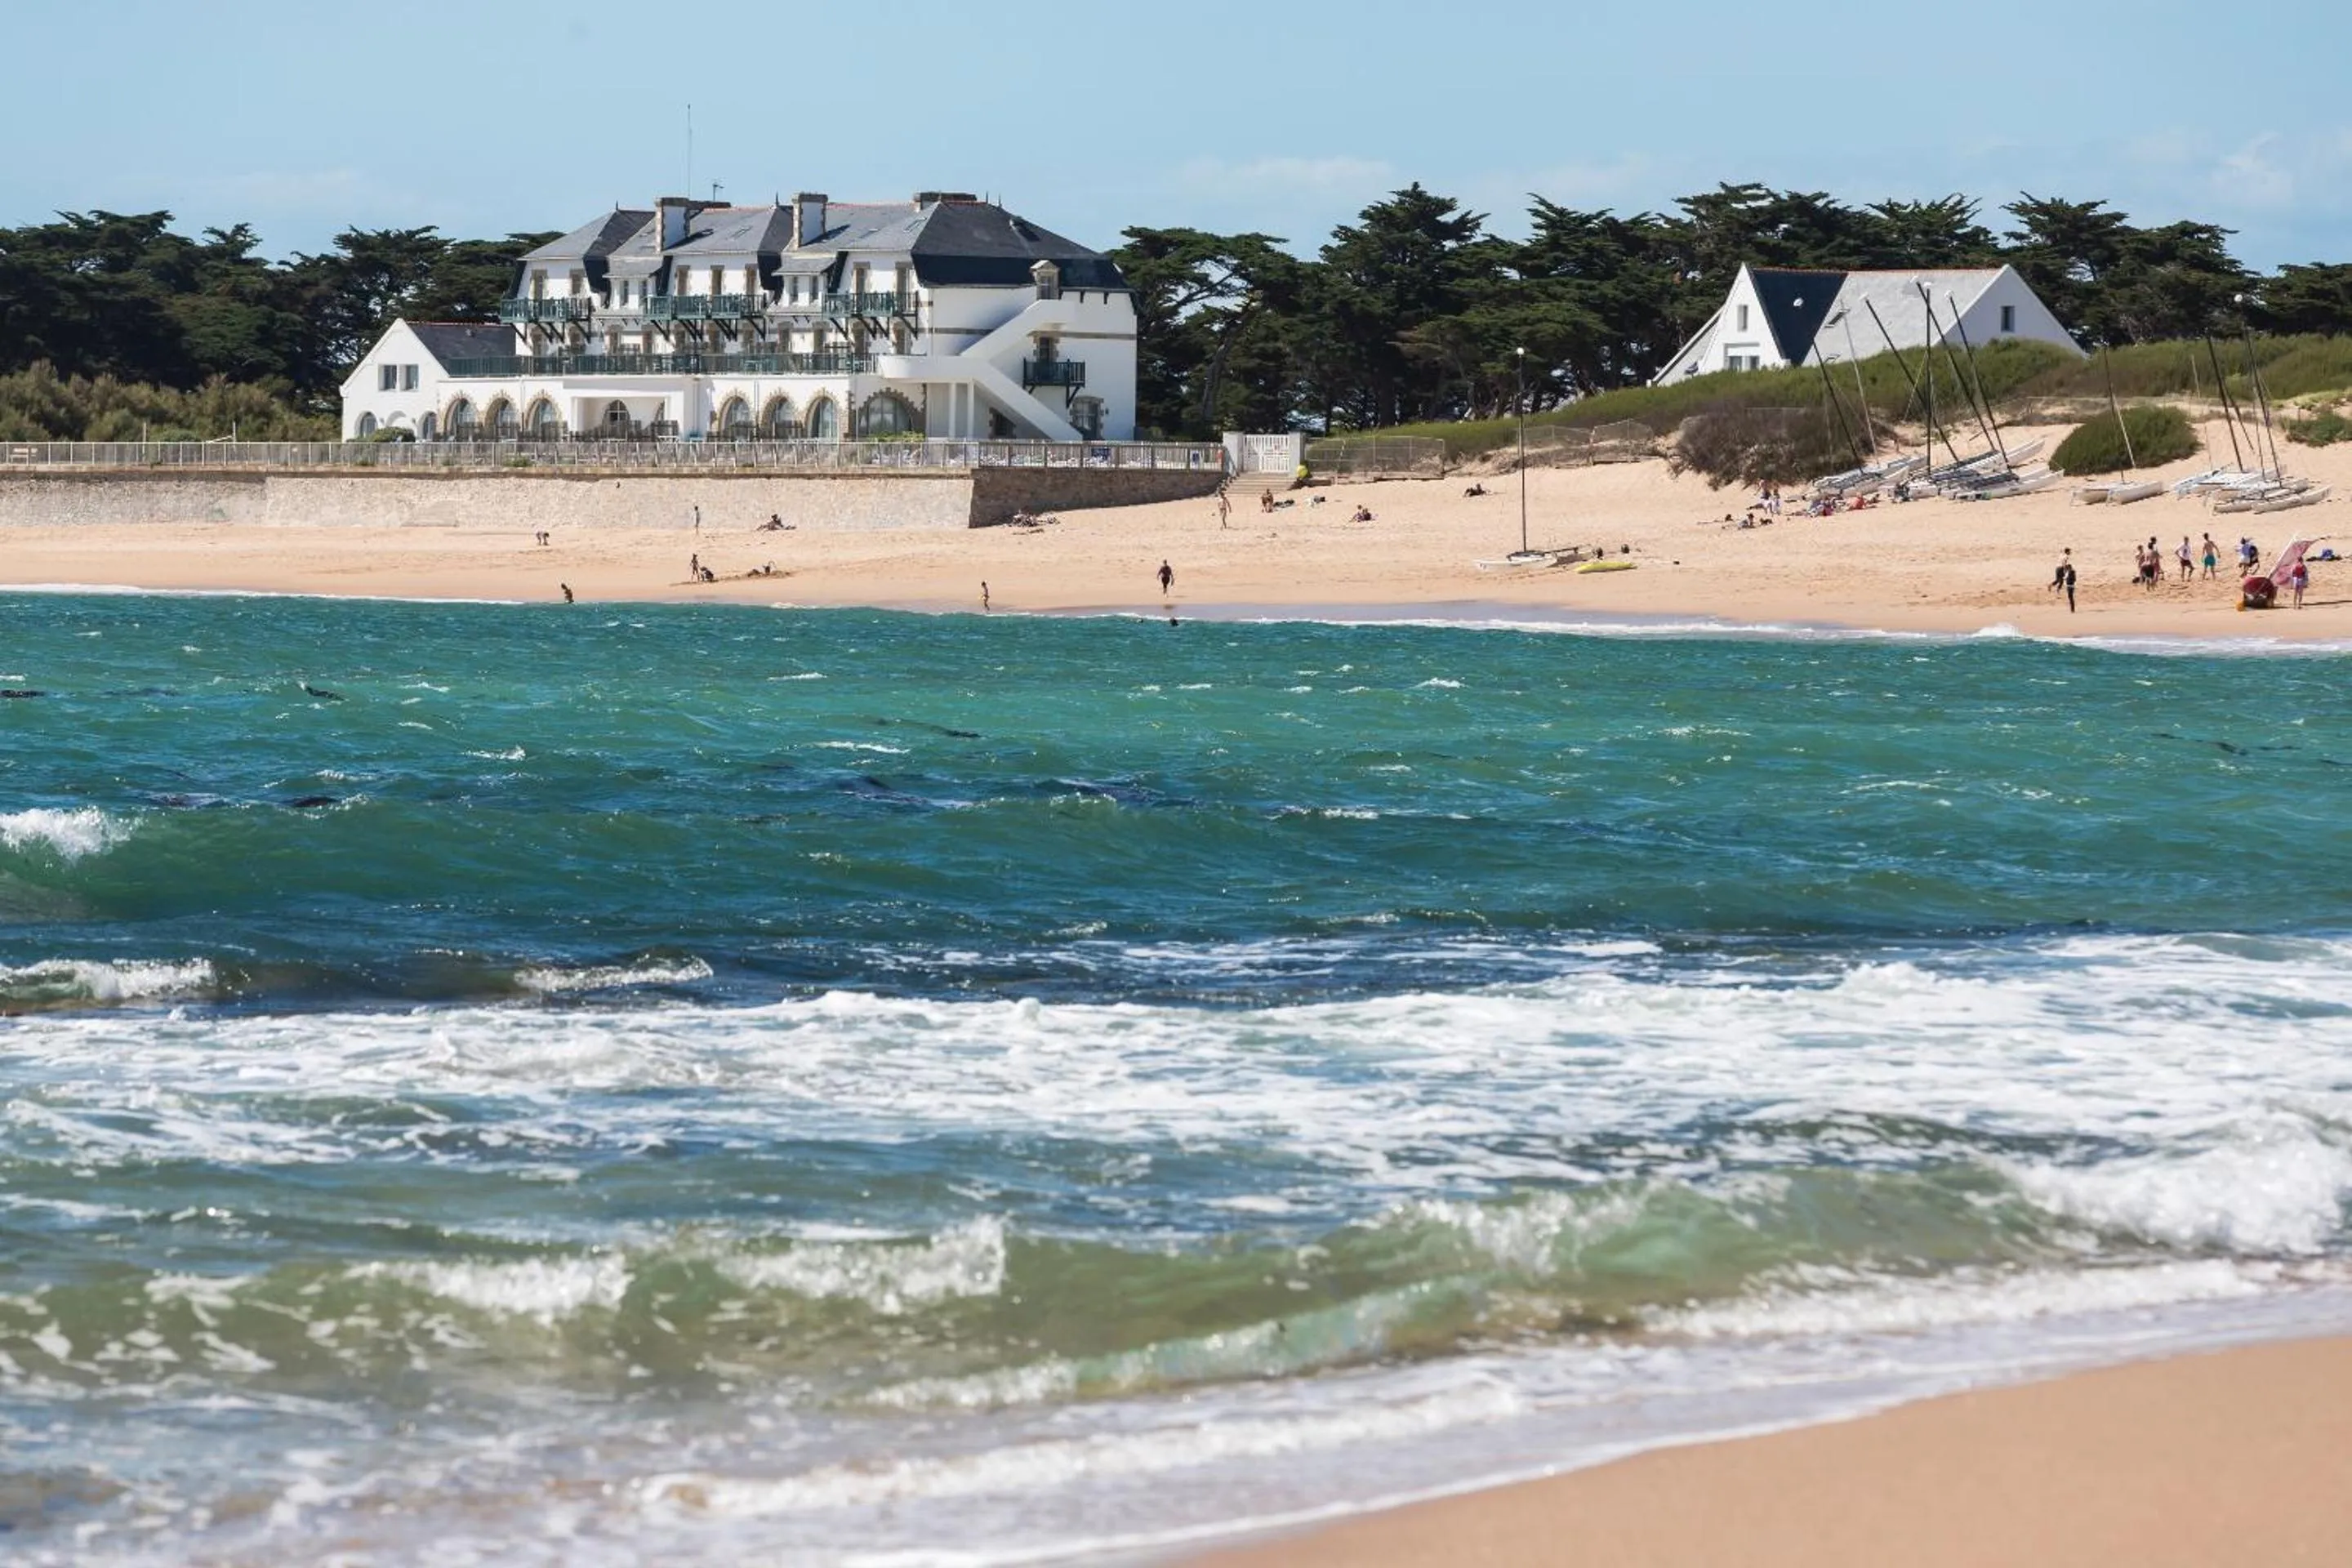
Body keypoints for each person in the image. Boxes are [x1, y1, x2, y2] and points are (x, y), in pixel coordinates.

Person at [2050, 548, 2077, 612]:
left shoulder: (2062, 555)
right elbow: (2064, 563)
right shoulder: (2066, 556)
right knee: (2060, 581)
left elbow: (2061, 559)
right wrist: (2065, 570)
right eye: (2070, 551)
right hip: (2061, 568)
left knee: (2058, 580)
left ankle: (2052, 587)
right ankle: (2057, 591)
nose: (2070, 553)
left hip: (2057, 568)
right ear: (2067, 552)